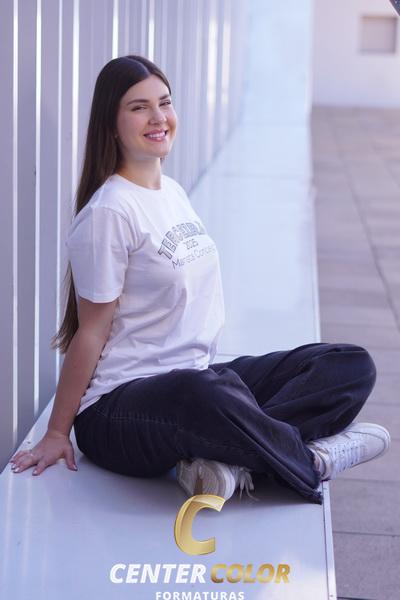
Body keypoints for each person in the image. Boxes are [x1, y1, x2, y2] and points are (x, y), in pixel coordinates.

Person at [9, 55, 390, 504]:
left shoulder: (171, 193)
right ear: (111, 125)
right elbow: (90, 331)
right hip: (119, 412)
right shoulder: (109, 211)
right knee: (206, 393)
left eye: (164, 102)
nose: (158, 117)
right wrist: (58, 432)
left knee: (346, 365)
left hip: (195, 380)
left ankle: (230, 458)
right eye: (139, 107)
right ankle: (308, 461)